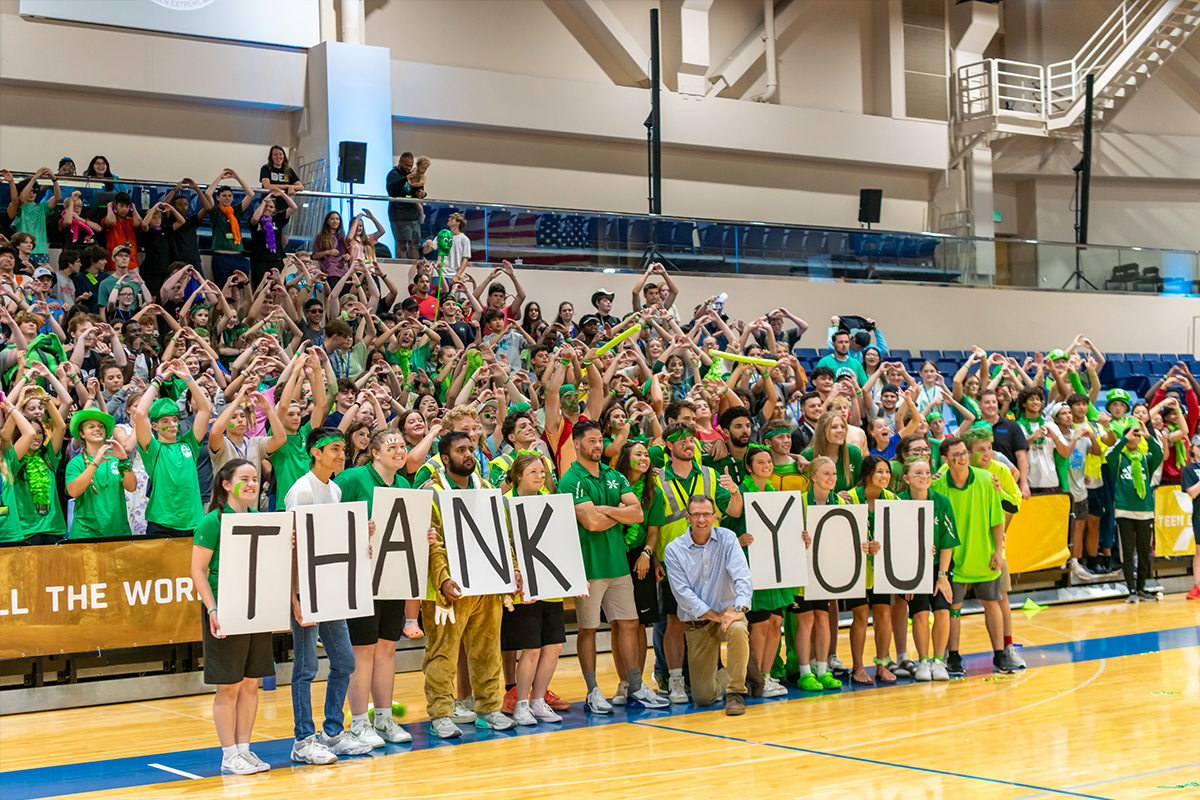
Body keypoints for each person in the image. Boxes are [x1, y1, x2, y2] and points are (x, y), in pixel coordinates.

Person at [559, 420, 667, 712]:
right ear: (577, 444)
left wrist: (606, 510)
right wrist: (618, 512)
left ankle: (636, 686)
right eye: (591, 441)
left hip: (619, 564)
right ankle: (593, 691)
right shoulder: (570, 480)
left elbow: (637, 513)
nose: (597, 446)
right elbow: (591, 524)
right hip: (589, 567)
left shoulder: (614, 475)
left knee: (630, 623)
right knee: (589, 629)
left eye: (600, 441)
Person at [421, 431, 518, 738]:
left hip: (487, 584)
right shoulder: (431, 492)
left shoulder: (488, 489)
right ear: (445, 458)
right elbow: (431, 543)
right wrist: (442, 579)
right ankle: (441, 713)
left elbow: (503, 536)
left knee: (488, 649)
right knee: (443, 652)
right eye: (460, 450)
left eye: (471, 449)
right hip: (448, 588)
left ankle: (489, 708)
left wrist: (512, 570)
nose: (469, 454)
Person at [286, 427, 374, 763]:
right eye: (334, 449)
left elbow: (331, 541)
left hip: (330, 587)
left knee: (344, 662)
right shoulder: (302, 491)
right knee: (306, 666)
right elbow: (293, 547)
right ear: (315, 452)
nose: (341, 454)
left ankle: (333, 732)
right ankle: (303, 740)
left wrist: (357, 535)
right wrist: (293, 594)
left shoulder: (335, 489)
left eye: (342, 449)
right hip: (306, 590)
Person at [645, 422, 741, 704]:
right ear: (669, 447)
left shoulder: (711, 475)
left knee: (721, 617)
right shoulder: (657, 478)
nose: (689, 443)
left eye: (692, 439)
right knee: (675, 621)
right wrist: (657, 559)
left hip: (713, 559)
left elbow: (734, 510)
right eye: (681, 440)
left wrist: (735, 491)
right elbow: (653, 524)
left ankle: (726, 675)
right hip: (676, 561)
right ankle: (674, 680)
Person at [190, 459, 273, 775]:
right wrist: (212, 608)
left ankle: (244, 750)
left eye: (255, 478)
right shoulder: (212, 522)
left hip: (256, 607)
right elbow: (197, 570)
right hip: (224, 607)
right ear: (226, 484)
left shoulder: (261, 519)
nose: (252, 484)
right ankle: (228, 754)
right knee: (229, 685)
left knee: (251, 683)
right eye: (245, 479)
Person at [334, 429, 416, 745]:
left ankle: (383, 718)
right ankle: (358, 722)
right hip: (359, 577)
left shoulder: (405, 485)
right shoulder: (352, 480)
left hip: (391, 575)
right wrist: (355, 528)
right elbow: (327, 518)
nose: (399, 450)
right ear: (376, 453)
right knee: (363, 649)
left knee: (387, 647)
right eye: (392, 446)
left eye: (402, 446)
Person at [664, 495, 761, 716]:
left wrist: (739, 609)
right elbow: (683, 594)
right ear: (687, 517)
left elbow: (742, 576)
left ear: (715, 517)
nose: (701, 519)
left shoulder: (728, 538)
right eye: (696, 514)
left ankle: (736, 693)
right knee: (703, 698)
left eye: (706, 514)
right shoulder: (673, 549)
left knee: (737, 628)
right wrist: (717, 616)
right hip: (697, 622)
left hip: (728, 615)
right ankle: (744, 667)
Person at [931, 437, 1019, 675]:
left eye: (964, 454)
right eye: (956, 455)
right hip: (953, 560)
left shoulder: (985, 480)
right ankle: (954, 656)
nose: (962, 459)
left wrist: (998, 552)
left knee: (992, 604)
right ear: (945, 460)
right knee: (953, 609)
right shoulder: (937, 487)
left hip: (984, 555)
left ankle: (1000, 655)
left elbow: (997, 522)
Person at [500, 453, 567, 725]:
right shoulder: (505, 505)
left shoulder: (550, 504)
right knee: (531, 648)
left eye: (542, 472)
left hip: (551, 585)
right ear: (518, 476)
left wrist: (573, 575)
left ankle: (539, 701)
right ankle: (522, 703)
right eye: (533, 472)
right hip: (524, 589)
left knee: (554, 646)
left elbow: (563, 543)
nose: (540, 476)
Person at [726, 445, 792, 697]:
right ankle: (754, 679)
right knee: (760, 624)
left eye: (769, 461)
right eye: (760, 462)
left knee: (776, 622)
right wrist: (738, 539)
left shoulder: (777, 495)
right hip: (751, 567)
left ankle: (766, 675)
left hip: (775, 566)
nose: (767, 465)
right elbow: (725, 527)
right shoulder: (740, 494)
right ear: (748, 467)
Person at [133, 359, 212, 537]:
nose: (172, 425)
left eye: (175, 420)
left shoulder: (188, 444)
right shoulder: (152, 448)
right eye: (165, 421)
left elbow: (206, 409)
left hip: (193, 522)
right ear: (154, 426)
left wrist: (188, 378)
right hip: (161, 523)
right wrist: (158, 379)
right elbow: (140, 413)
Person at [896, 457, 958, 682]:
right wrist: (906, 577)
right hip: (912, 568)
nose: (924, 477)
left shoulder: (942, 503)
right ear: (906, 479)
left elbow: (948, 542)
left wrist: (942, 576)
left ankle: (939, 661)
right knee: (920, 613)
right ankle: (923, 660)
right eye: (918, 473)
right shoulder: (898, 503)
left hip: (939, 566)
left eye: (926, 473)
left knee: (942, 611)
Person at [844, 455, 897, 685]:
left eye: (887, 472)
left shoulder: (893, 500)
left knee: (885, 615)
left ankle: (882, 664)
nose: (884, 476)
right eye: (879, 472)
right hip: (855, 569)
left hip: (882, 569)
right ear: (867, 475)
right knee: (861, 615)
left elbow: (900, 536)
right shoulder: (848, 498)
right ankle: (857, 667)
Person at [1108, 417, 1163, 603]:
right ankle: (1131, 590)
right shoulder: (1120, 458)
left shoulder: (1146, 459)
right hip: (1124, 510)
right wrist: (1125, 438)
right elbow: (1109, 456)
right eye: (1133, 434)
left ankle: (1141, 588)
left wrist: (1148, 437)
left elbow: (1159, 455)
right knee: (1128, 552)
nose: (1136, 437)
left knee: (1144, 551)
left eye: (1137, 434)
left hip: (1145, 510)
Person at [65, 409, 136, 538]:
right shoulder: (76, 463)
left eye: (101, 426)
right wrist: (96, 462)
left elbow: (131, 487)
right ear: (82, 434)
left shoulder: (115, 459)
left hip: (118, 532)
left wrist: (125, 460)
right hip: (85, 534)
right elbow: (73, 492)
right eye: (91, 426)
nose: (97, 429)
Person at [204, 168, 255, 287]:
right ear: (218, 198)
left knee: (236, 294)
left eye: (229, 196)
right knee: (223, 292)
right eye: (224, 195)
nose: (227, 198)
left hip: (237, 256)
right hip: (221, 257)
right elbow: (207, 194)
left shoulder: (236, 211)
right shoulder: (215, 212)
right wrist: (220, 177)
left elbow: (250, 194)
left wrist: (236, 177)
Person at [386, 152, 421, 259]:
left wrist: (421, 193)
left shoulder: (412, 175)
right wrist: (406, 178)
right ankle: (400, 270)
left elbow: (415, 191)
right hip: (399, 215)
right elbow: (392, 188)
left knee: (414, 244)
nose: (409, 168)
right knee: (401, 244)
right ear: (400, 162)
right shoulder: (393, 174)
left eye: (411, 165)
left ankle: (416, 271)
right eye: (407, 165)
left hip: (412, 214)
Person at [1181, 435, 1200, 600]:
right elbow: (1193, 492)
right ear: (1193, 448)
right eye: (1199, 446)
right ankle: (1197, 586)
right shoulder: (1189, 469)